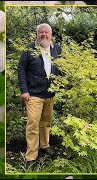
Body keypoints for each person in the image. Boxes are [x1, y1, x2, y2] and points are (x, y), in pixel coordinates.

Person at [17, 23, 62, 170]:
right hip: (34, 94)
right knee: (33, 125)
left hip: (50, 93)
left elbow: (62, 66)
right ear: (37, 34)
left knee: (46, 123)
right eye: (41, 32)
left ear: (51, 35)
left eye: (46, 32)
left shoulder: (56, 48)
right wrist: (24, 90)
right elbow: (21, 69)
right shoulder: (29, 49)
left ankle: (44, 146)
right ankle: (31, 156)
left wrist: (62, 84)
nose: (44, 34)